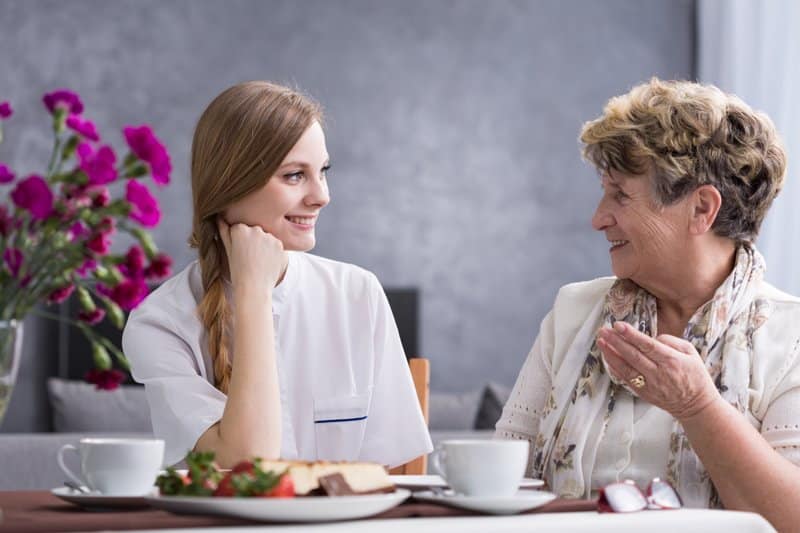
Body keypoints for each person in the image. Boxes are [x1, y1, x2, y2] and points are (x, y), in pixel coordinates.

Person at [495, 78, 800, 529]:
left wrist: (698, 407)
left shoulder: (790, 336)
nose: (598, 218)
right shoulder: (574, 311)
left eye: (620, 194)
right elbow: (501, 482)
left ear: (701, 209)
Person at [122, 81, 432, 469]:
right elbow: (246, 464)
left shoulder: (357, 293)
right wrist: (254, 292)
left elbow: (388, 473)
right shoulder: (161, 323)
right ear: (229, 186)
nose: (322, 195)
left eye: (323, 171)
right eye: (294, 176)